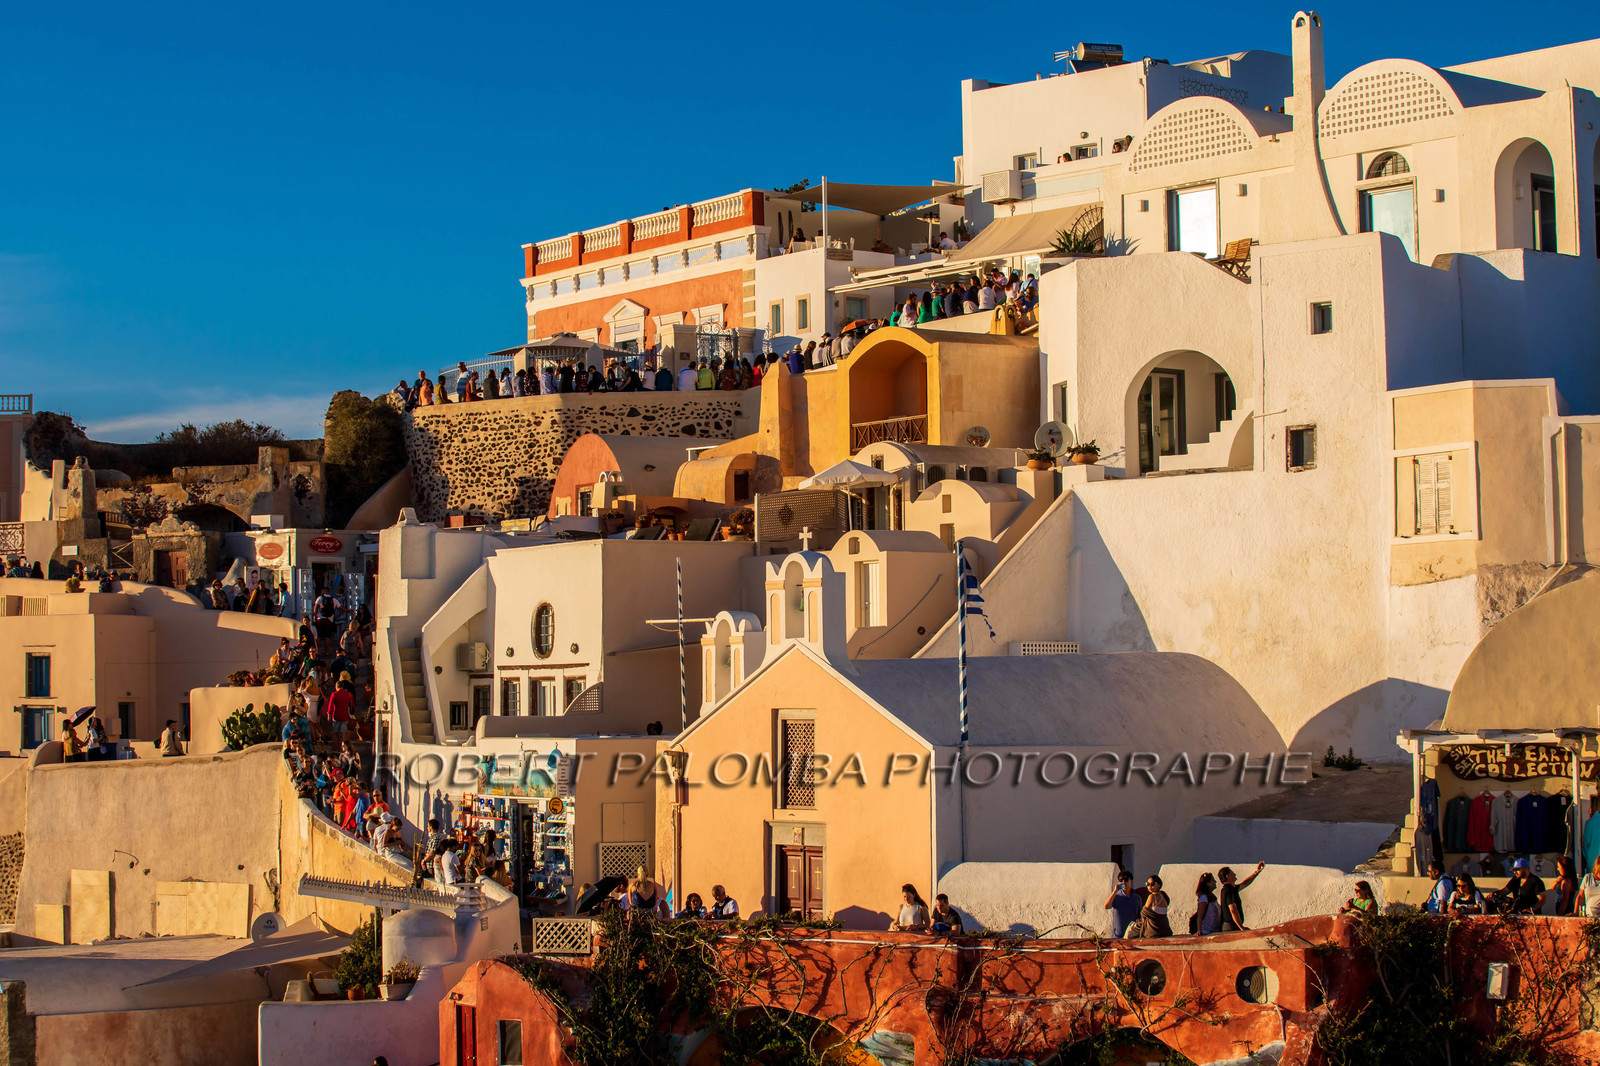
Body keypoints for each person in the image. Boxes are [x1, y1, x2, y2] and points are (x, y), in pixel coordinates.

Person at [1217, 862, 1265, 932]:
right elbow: (1233, 910)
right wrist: (1241, 927)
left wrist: (1256, 872)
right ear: (1227, 876)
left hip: (1232, 926)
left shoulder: (1232, 889)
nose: (1235, 874)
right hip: (1231, 927)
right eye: (1232, 873)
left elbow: (1245, 883)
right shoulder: (1229, 890)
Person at [1103, 869, 1142, 938]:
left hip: (1132, 935)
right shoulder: (1116, 897)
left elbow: (1140, 915)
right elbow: (1106, 906)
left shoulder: (1137, 898)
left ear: (1131, 881)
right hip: (1118, 936)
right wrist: (1115, 891)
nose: (1124, 882)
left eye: (1126, 880)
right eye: (1121, 880)